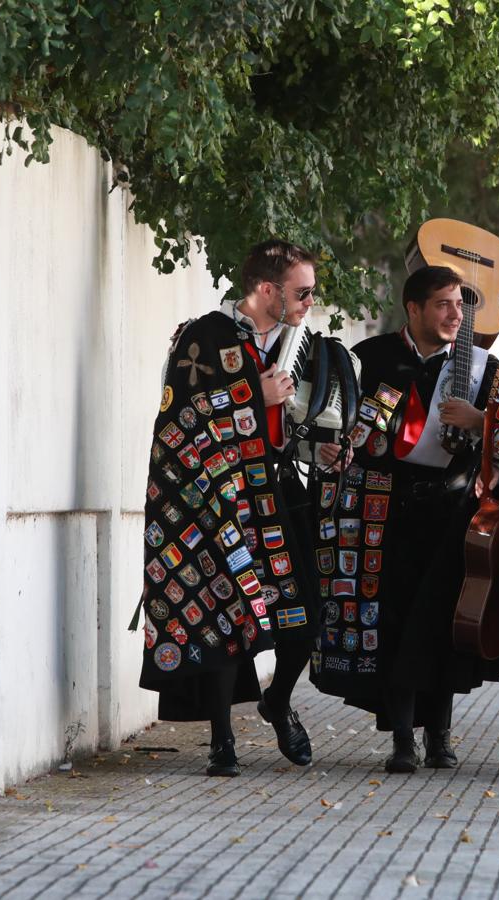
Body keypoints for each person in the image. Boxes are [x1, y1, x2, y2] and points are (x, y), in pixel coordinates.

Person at [136, 239, 331, 776]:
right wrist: (251, 394)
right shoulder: (203, 337)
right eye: (302, 291)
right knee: (226, 619)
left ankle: (279, 702)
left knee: (305, 619)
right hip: (222, 500)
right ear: (267, 289)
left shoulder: (301, 340)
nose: (309, 301)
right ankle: (222, 741)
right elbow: (177, 424)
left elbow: (305, 417)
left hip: (281, 490)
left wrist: (321, 444)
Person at [309, 265, 496, 773]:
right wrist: (330, 451)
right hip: (384, 509)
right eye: (443, 304)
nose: (455, 314)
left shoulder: (481, 368)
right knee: (390, 620)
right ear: (413, 309)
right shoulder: (372, 359)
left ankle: (440, 735)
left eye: (460, 304)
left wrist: (480, 424)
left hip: (451, 510)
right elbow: (338, 424)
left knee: (439, 622)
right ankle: (400, 740)